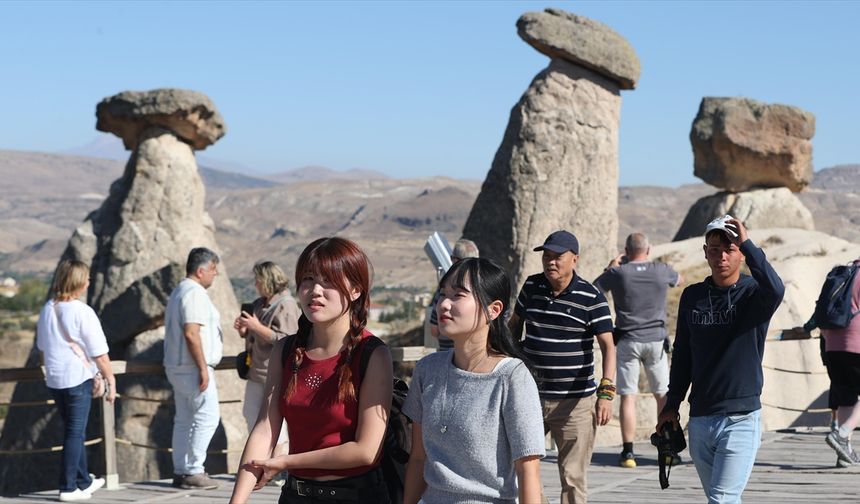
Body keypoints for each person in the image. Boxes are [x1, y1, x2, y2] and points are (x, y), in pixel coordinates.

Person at [230, 237, 393, 504]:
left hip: (357, 497)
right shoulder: (285, 351)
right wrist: (236, 501)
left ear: (355, 290)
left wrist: (285, 461)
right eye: (307, 279)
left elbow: (366, 451)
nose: (315, 290)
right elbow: (264, 429)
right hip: (295, 496)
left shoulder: (372, 354)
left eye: (328, 281)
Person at [656, 215, 784, 503]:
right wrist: (671, 405)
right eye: (715, 249)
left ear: (740, 254)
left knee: (721, 499)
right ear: (705, 252)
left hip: (740, 418)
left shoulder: (754, 294)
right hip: (700, 418)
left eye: (730, 249)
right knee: (724, 499)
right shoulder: (693, 296)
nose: (722, 257)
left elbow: (776, 289)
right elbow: (683, 355)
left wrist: (748, 243)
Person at [403, 257, 545, 504]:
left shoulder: (512, 377)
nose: (444, 304)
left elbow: (528, 471)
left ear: (494, 309)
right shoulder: (427, 370)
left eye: (458, 295)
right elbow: (418, 457)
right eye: (442, 294)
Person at [509, 230, 616, 504]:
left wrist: (606, 394)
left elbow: (608, 346)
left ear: (574, 259)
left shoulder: (591, 297)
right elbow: (513, 329)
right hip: (530, 397)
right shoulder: (531, 287)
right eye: (546, 256)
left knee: (572, 478)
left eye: (557, 257)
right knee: (516, 466)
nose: (550, 262)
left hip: (576, 404)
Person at [594, 232, 682, 468]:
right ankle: (668, 449)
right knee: (662, 395)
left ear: (626, 251)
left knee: (628, 397)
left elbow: (595, 290)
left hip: (627, 340)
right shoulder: (661, 270)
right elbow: (679, 280)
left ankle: (628, 453)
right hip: (656, 340)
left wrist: (610, 267)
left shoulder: (618, 273)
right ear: (649, 249)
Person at [37, 259, 116, 502]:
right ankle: (68, 487)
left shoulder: (47, 309)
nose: (89, 282)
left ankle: (83, 481)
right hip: (77, 380)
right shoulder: (82, 312)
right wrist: (110, 380)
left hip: (56, 379)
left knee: (74, 432)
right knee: (74, 433)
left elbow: (42, 348)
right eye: (87, 278)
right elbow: (100, 353)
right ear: (79, 282)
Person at [163, 247, 224, 490]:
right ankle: (194, 470)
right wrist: (202, 368)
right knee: (208, 417)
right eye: (212, 269)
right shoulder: (194, 293)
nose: (215, 274)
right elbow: (192, 332)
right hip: (192, 368)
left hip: (178, 367)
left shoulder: (179, 291)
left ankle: (181, 469)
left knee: (184, 420)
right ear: (200, 271)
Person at [234, 261, 301, 475]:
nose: (255, 284)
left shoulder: (286, 306)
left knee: (276, 424)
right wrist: (245, 331)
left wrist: (257, 328)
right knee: (250, 415)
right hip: (256, 371)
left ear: (268, 280)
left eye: (258, 280)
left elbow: (288, 339)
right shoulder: (258, 304)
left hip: (276, 373)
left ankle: (277, 468)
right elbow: (255, 335)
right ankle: (259, 463)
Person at [820, 256, 860, 466]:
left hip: (833, 346)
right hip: (856, 346)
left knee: (846, 399)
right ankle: (841, 435)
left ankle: (844, 455)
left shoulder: (842, 274)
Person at [427, 239, 480, 351]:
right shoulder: (490, 286)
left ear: (455, 260)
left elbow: (434, 330)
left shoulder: (446, 288)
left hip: (449, 356)